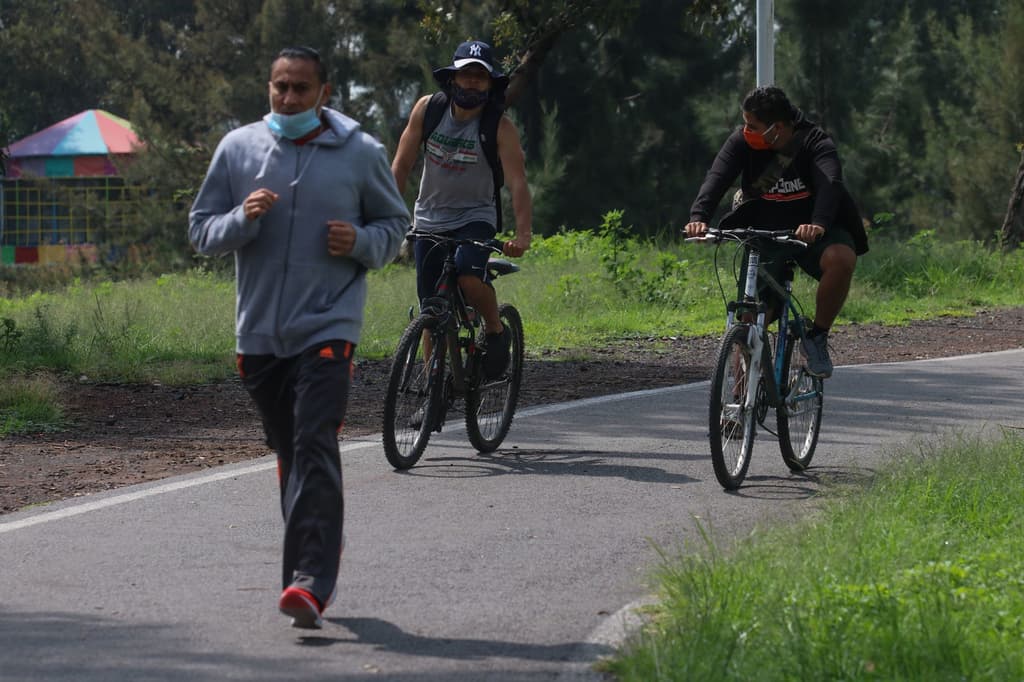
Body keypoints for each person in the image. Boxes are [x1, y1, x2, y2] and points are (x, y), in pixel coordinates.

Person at [188, 46, 409, 629]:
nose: (288, 99)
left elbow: (394, 227)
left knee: (314, 441)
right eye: (280, 87)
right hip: (259, 335)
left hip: (329, 326)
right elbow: (201, 230)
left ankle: (308, 579)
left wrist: (359, 242)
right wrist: (241, 219)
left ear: (325, 93)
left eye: (300, 89)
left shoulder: (361, 153)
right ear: (269, 88)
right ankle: (315, 555)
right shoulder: (238, 149)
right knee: (292, 451)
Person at [685, 85, 869, 378]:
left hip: (812, 231)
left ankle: (817, 337)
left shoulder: (815, 142)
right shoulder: (741, 143)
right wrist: (699, 218)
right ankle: (737, 406)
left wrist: (819, 223)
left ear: (777, 127)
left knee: (841, 259)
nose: (745, 131)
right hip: (765, 232)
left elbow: (830, 184)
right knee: (750, 321)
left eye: (752, 126)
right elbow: (716, 178)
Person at [391, 40, 532, 378]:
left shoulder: (499, 127)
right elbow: (401, 165)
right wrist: (389, 215)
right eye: (465, 74)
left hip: (475, 217)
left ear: (489, 83)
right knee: (431, 308)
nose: (471, 82)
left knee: (469, 278)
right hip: (428, 217)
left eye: (479, 77)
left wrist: (523, 234)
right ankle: (431, 385)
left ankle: (496, 330)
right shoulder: (428, 110)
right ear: (452, 78)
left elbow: (518, 183)